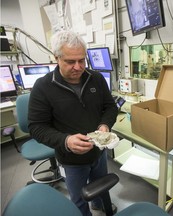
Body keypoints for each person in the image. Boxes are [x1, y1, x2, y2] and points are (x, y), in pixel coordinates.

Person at [28, 30, 118, 216]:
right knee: (78, 199)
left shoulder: (96, 78)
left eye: (82, 60)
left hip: (98, 152)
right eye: (70, 61)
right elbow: (36, 127)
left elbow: (110, 107)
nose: (78, 67)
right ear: (56, 58)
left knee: (101, 188)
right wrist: (66, 141)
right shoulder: (43, 87)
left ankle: (100, 205)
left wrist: (105, 125)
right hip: (71, 159)